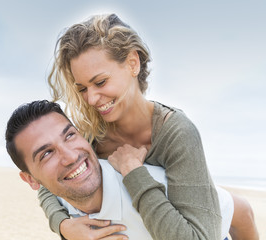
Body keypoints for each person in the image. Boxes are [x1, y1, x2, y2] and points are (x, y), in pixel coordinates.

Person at [42, 13, 259, 240]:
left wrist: (134, 172)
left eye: (100, 82)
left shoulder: (176, 132)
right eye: (82, 89)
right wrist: (63, 225)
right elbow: (46, 181)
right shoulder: (90, 134)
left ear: (132, 63)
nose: (92, 99)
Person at [5, 100, 234, 240]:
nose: (71, 156)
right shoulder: (61, 196)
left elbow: (234, 207)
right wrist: (63, 227)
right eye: (46, 154)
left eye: (70, 135)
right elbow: (46, 192)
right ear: (31, 180)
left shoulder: (158, 185)